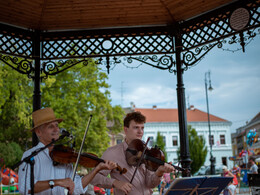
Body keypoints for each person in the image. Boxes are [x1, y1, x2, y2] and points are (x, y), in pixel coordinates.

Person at [18, 107, 117, 195]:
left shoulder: (65, 156)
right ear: (38, 132)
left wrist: (96, 169)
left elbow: (77, 188)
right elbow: (25, 187)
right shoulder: (30, 155)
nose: (56, 129)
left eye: (57, 125)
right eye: (50, 126)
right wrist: (56, 182)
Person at [90, 111, 175, 195]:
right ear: (125, 130)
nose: (140, 131)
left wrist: (159, 172)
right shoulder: (112, 153)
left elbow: (150, 184)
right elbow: (95, 178)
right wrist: (115, 182)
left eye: (142, 128)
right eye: (136, 127)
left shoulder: (147, 152)